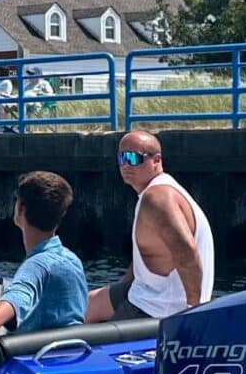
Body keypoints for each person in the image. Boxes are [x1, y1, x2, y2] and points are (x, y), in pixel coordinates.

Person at [86, 130, 214, 323]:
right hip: (146, 291)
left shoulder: (156, 198)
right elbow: (145, 255)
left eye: (134, 158)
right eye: (122, 158)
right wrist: (123, 286)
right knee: (86, 305)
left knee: (89, 333)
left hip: (159, 308)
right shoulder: (157, 190)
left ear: (156, 160)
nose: (126, 165)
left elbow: (187, 252)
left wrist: (194, 313)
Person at [0, 171, 90, 343]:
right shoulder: (73, 261)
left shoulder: (36, 267)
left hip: (36, 356)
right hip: (72, 352)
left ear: (21, 209)